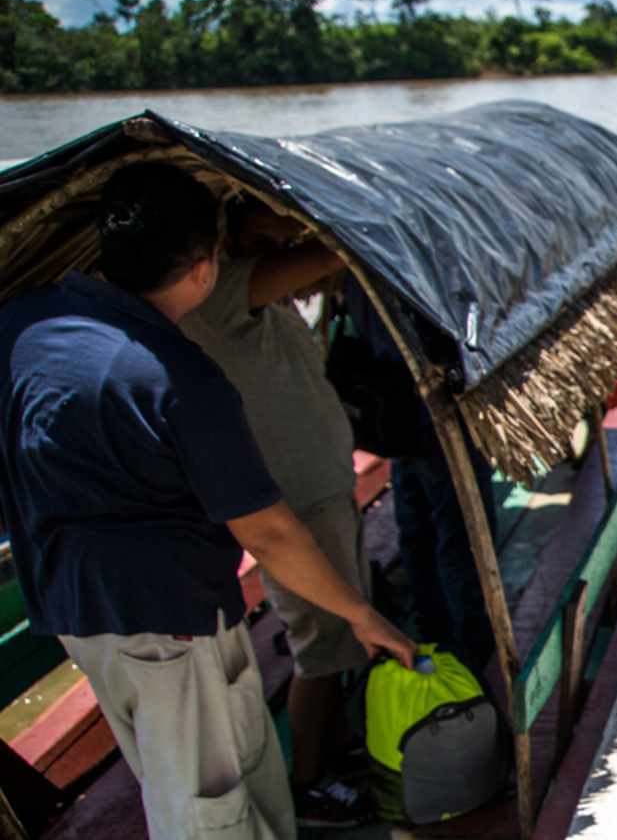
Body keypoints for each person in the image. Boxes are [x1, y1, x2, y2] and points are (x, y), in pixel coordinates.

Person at [0, 163, 415, 840]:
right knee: (203, 805)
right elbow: (271, 533)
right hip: (164, 620)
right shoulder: (180, 378)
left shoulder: (26, 318)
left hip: (80, 607)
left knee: (233, 764)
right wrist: (363, 614)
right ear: (206, 264)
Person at [178, 197, 376, 826]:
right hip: (298, 502)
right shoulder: (227, 289)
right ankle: (308, 780)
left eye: (288, 236)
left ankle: (337, 745)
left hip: (320, 488)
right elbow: (330, 254)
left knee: (336, 635)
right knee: (321, 643)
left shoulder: (260, 293)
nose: (283, 247)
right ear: (227, 238)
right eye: (265, 235)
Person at [338, 276, 498, 666]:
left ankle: (436, 629)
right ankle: (472, 644)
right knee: (460, 533)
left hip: (398, 414)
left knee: (419, 527)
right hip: (433, 412)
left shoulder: (357, 263)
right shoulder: (405, 260)